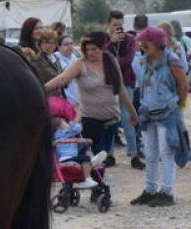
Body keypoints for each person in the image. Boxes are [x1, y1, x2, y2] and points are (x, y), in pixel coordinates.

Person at [44, 31, 138, 176]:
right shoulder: (81, 63)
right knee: (96, 155)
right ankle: (98, 186)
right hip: (91, 119)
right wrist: (40, 89)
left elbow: (121, 89)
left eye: (94, 49)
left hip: (112, 118)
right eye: (87, 49)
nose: (90, 52)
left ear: (102, 48)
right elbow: (61, 79)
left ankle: (98, 185)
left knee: (103, 155)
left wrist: (132, 113)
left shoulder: (111, 61)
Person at [129, 27, 189, 206]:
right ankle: (150, 189)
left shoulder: (172, 59)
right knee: (150, 153)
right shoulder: (144, 61)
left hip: (167, 113)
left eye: (146, 44)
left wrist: (180, 107)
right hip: (148, 112)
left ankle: (167, 191)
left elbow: (183, 86)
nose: (142, 47)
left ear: (156, 43)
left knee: (166, 153)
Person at [106, 9, 142, 169]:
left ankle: (134, 154)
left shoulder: (130, 39)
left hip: (126, 83)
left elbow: (128, 61)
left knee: (128, 119)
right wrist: (111, 42)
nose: (117, 28)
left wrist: (112, 62)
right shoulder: (104, 39)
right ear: (108, 24)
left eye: (120, 25)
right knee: (110, 120)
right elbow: (100, 57)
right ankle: (109, 154)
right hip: (107, 85)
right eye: (114, 25)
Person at [29, 27, 64, 94]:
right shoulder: (37, 60)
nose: (49, 45)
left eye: (53, 43)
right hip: (46, 96)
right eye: (46, 42)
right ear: (41, 44)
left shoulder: (56, 57)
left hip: (59, 96)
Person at [55, 34, 81, 107]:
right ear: (59, 47)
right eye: (66, 44)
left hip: (78, 97)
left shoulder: (76, 57)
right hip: (64, 97)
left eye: (71, 43)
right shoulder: (55, 58)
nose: (70, 46)